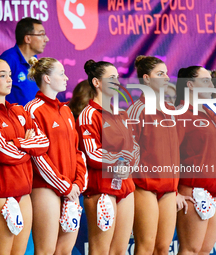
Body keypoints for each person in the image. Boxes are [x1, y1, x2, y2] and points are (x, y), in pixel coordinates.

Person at [0, 58, 49, 255]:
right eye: (2, 75)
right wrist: (27, 149)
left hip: (24, 193)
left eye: (10, 75)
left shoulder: (19, 110)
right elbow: (4, 154)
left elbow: (43, 144)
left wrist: (19, 144)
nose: (9, 80)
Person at [25, 57, 87, 254]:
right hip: (46, 187)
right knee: (46, 250)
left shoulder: (67, 110)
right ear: (47, 79)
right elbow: (37, 156)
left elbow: (77, 151)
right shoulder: (32, 110)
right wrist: (65, 186)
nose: (66, 78)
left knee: (65, 250)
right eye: (61, 73)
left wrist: (78, 183)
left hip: (71, 188)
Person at [76, 60, 140, 254]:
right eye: (111, 78)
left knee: (120, 251)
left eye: (117, 78)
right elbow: (92, 154)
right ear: (97, 82)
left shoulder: (121, 114)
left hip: (125, 187)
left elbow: (135, 148)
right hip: (101, 189)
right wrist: (121, 160)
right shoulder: (89, 115)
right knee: (100, 251)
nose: (117, 82)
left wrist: (128, 163)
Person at [127, 55, 179, 255]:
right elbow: (129, 150)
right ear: (146, 78)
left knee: (163, 247)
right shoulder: (137, 110)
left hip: (168, 187)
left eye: (166, 72)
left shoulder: (172, 110)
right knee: (146, 246)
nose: (166, 77)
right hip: (145, 187)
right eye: (160, 73)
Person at [175, 66, 216, 255]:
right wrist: (174, 192)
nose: (211, 84)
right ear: (190, 85)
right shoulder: (181, 114)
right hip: (194, 190)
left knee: (205, 250)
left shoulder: (210, 113)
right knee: (191, 249)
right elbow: (170, 155)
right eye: (205, 80)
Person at [0, 17, 49, 106]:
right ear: (27, 39)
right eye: (41, 35)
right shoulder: (8, 60)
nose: (46, 39)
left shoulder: (35, 61)